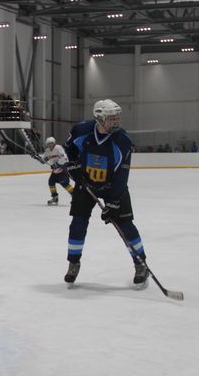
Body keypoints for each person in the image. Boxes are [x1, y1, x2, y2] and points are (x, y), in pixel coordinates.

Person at [63, 99, 149, 288]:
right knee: (78, 222)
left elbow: (122, 175)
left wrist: (113, 203)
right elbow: (68, 148)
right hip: (86, 185)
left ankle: (141, 264)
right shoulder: (81, 131)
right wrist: (74, 165)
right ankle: (73, 263)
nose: (115, 122)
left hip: (113, 188)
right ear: (100, 119)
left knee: (125, 225)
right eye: (111, 119)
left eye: (117, 118)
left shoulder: (123, 141)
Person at [41, 136, 75, 206]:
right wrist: (37, 158)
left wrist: (57, 164)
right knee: (51, 182)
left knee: (64, 184)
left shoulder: (58, 148)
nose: (50, 145)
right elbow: (44, 160)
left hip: (62, 168)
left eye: (51, 143)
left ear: (54, 143)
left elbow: (63, 157)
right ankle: (55, 197)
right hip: (55, 170)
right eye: (49, 144)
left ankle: (76, 196)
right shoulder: (47, 151)